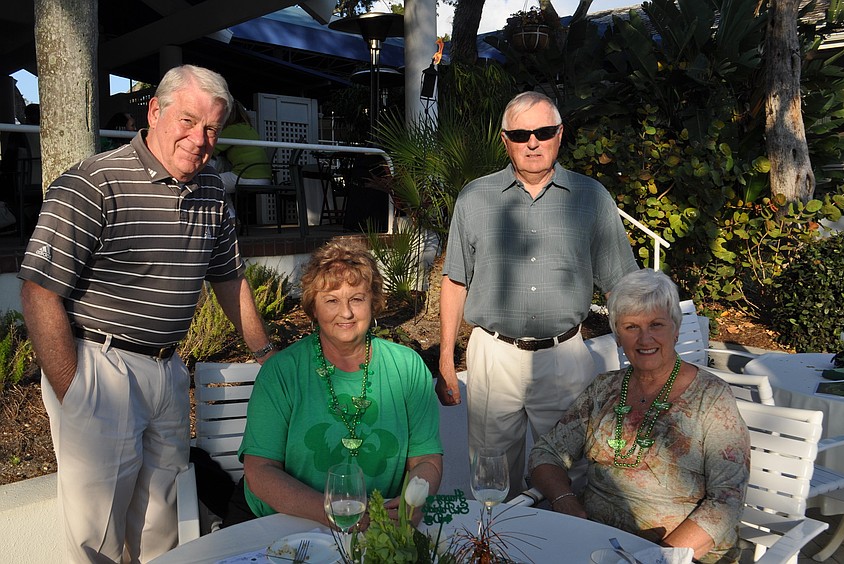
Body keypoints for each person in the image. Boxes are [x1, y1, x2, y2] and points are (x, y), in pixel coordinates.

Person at [18, 64, 277, 563]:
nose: (199, 139)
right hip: (101, 366)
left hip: (167, 371)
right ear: (154, 111)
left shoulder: (211, 195)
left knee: (163, 525)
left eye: (212, 129)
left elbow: (230, 281)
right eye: (188, 120)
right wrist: (75, 389)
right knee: (97, 535)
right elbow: (37, 291)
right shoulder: (94, 182)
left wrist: (267, 353)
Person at [438, 91, 639, 497]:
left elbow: (622, 285)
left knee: (573, 473)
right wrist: (445, 356)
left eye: (544, 131)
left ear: (560, 135)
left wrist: (638, 360)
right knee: (492, 479)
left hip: (565, 357)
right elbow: (455, 279)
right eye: (522, 133)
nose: (533, 142)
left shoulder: (591, 198)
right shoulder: (474, 198)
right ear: (505, 139)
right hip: (493, 355)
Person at [529, 269, 750, 563]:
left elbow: (727, 500)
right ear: (618, 336)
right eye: (631, 326)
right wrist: (564, 500)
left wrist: (654, 558)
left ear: (676, 329)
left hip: (681, 552)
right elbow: (547, 453)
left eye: (656, 324)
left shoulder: (712, 399)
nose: (645, 338)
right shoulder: (603, 389)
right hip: (596, 544)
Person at [226, 240, 443, 527]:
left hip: (377, 523)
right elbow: (260, 472)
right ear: (313, 308)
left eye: (357, 298)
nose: (346, 313)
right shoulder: (282, 371)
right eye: (331, 300)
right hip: (278, 523)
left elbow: (427, 459)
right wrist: (334, 513)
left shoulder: (408, 366)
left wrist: (415, 499)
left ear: (373, 301)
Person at [212, 101, 272, 222]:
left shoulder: (233, 129)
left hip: (247, 176)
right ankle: (231, 218)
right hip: (265, 177)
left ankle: (231, 218)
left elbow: (211, 150)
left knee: (212, 182)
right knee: (221, 181)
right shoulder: (249, 129)